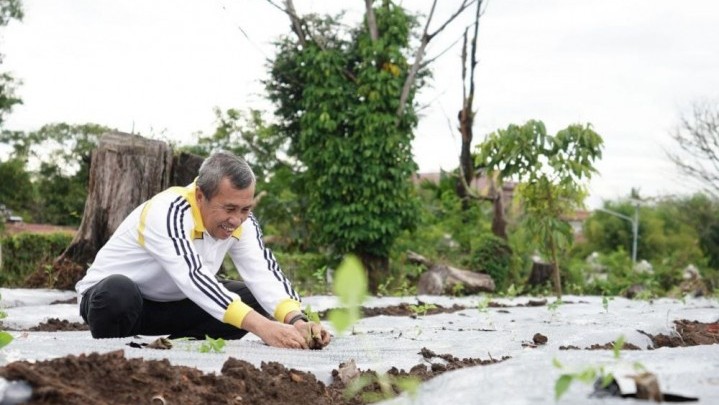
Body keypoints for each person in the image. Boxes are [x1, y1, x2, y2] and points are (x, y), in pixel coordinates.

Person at [76, 151, 331, 349]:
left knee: (250, 298)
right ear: (200, 196)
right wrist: (264, 328)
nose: (236, 220)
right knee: (118, 292)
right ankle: (119, 351)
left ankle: (172, 348)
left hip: (178, 304)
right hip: (121, 304)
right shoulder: (167, 211)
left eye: (245, 209)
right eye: (229, 209)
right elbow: (194, 277)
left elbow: (264, 273)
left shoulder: (244, 222)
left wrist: (298, 321)